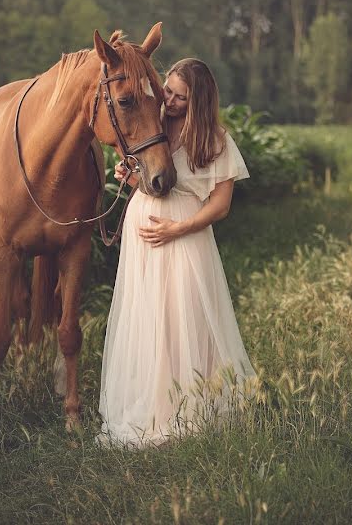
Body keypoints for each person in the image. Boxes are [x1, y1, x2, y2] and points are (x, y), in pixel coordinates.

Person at [97, 58, 256, 447]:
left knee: (184, 315)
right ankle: (149, 403)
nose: (167, 99)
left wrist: (177, 229)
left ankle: (189, 405)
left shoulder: (215, 140)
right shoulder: (157, 127)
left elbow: (220, 205)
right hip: (145, 235)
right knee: (148, 313)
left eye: (178, 96)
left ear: (198, 100)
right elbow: (149, 183)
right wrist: (129, 176)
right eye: (166, 89)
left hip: (185, 235)